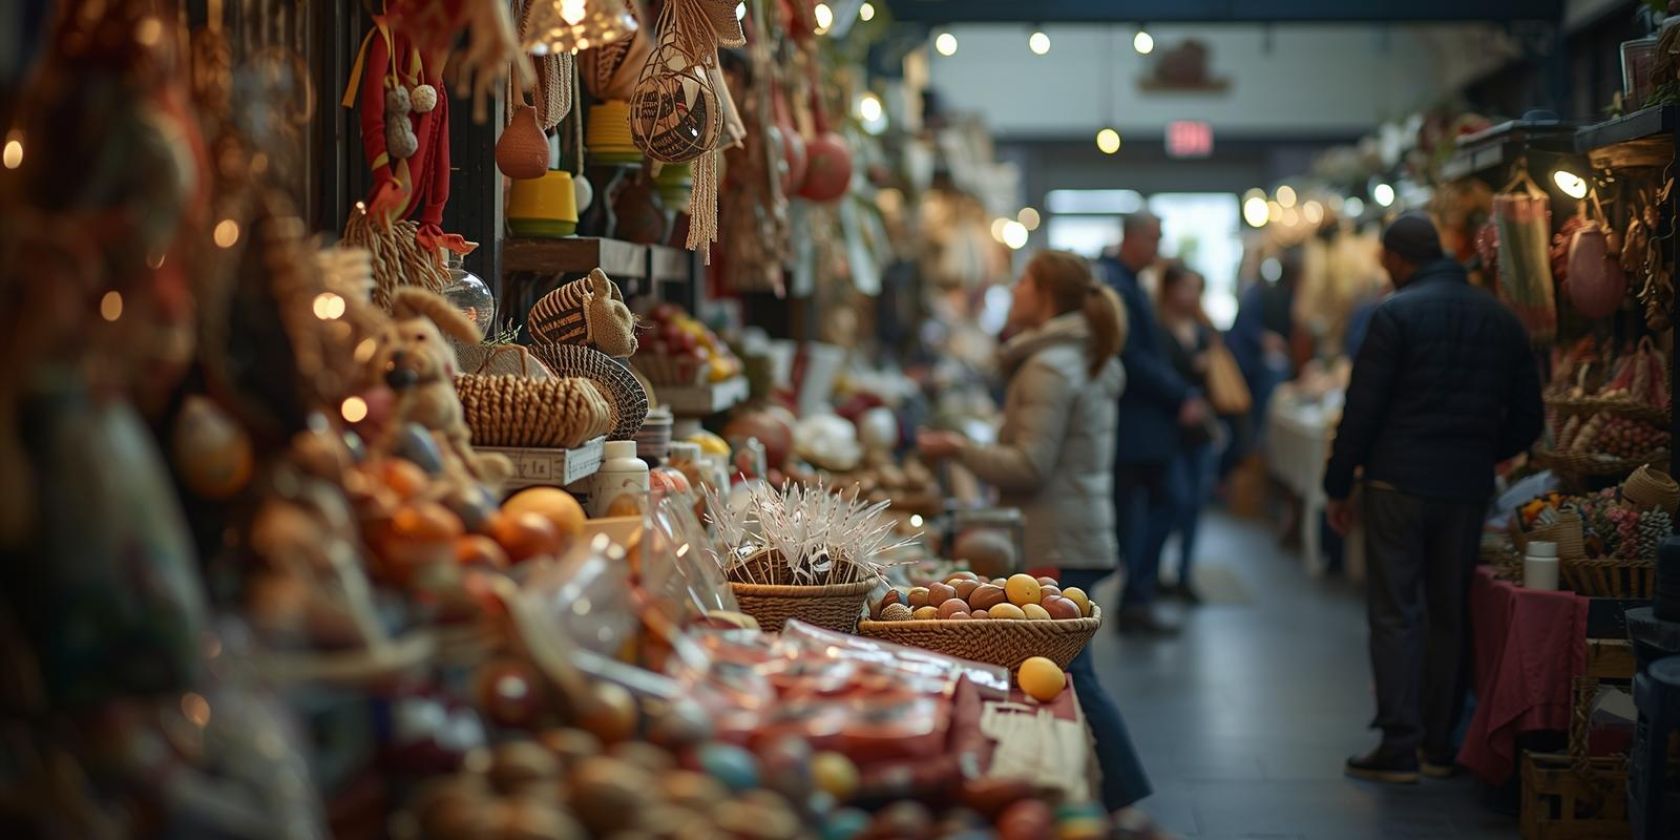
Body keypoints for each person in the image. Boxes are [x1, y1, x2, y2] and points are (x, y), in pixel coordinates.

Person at [917, 251, 1158, 828]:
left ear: (1046, 295)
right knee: (1075, 673)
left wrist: (959, 449)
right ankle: (1116, 797)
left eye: (1024, 279)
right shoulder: (1076, 356)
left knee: (1075, 677)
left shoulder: (1049, 366)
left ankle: (1120, 798)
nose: (1015, 288)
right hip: (1076, 529)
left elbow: (1030, 466)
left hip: (1057, 538)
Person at [1323, 213, 1543, 784]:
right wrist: (1481, 449)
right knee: (1450, 613)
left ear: (1398, 258)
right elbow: (1529, 419)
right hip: (1466, 488)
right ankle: (1439, 746)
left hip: (1397, 483)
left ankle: (1399, 745)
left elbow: (1362, 411)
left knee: (1396, 613)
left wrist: (1337, 484)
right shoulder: (1500, 318)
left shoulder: (1393, 314)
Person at [1097, 213, 1206, 634]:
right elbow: (1133, 357)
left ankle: (1138, 592)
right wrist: (1180, 393)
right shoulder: (1119, 286)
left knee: (1151, 508)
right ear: (1132, 237)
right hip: (1136, 426)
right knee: (1162, 503)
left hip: (1141, 424)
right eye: (1154, 238)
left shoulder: (1128, 283)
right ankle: (1137, 594)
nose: (1159, 247)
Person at [1156, 263, 1220, 605]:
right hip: (1169, 432)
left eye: (1196, 288)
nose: (1191, 295)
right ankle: (1155, 572)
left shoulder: (1203, 329)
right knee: (1174, 501)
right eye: (1186, 287)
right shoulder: (1158, 329)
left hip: (1199, 432)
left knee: (1194, 504)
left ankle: (1184, 573)